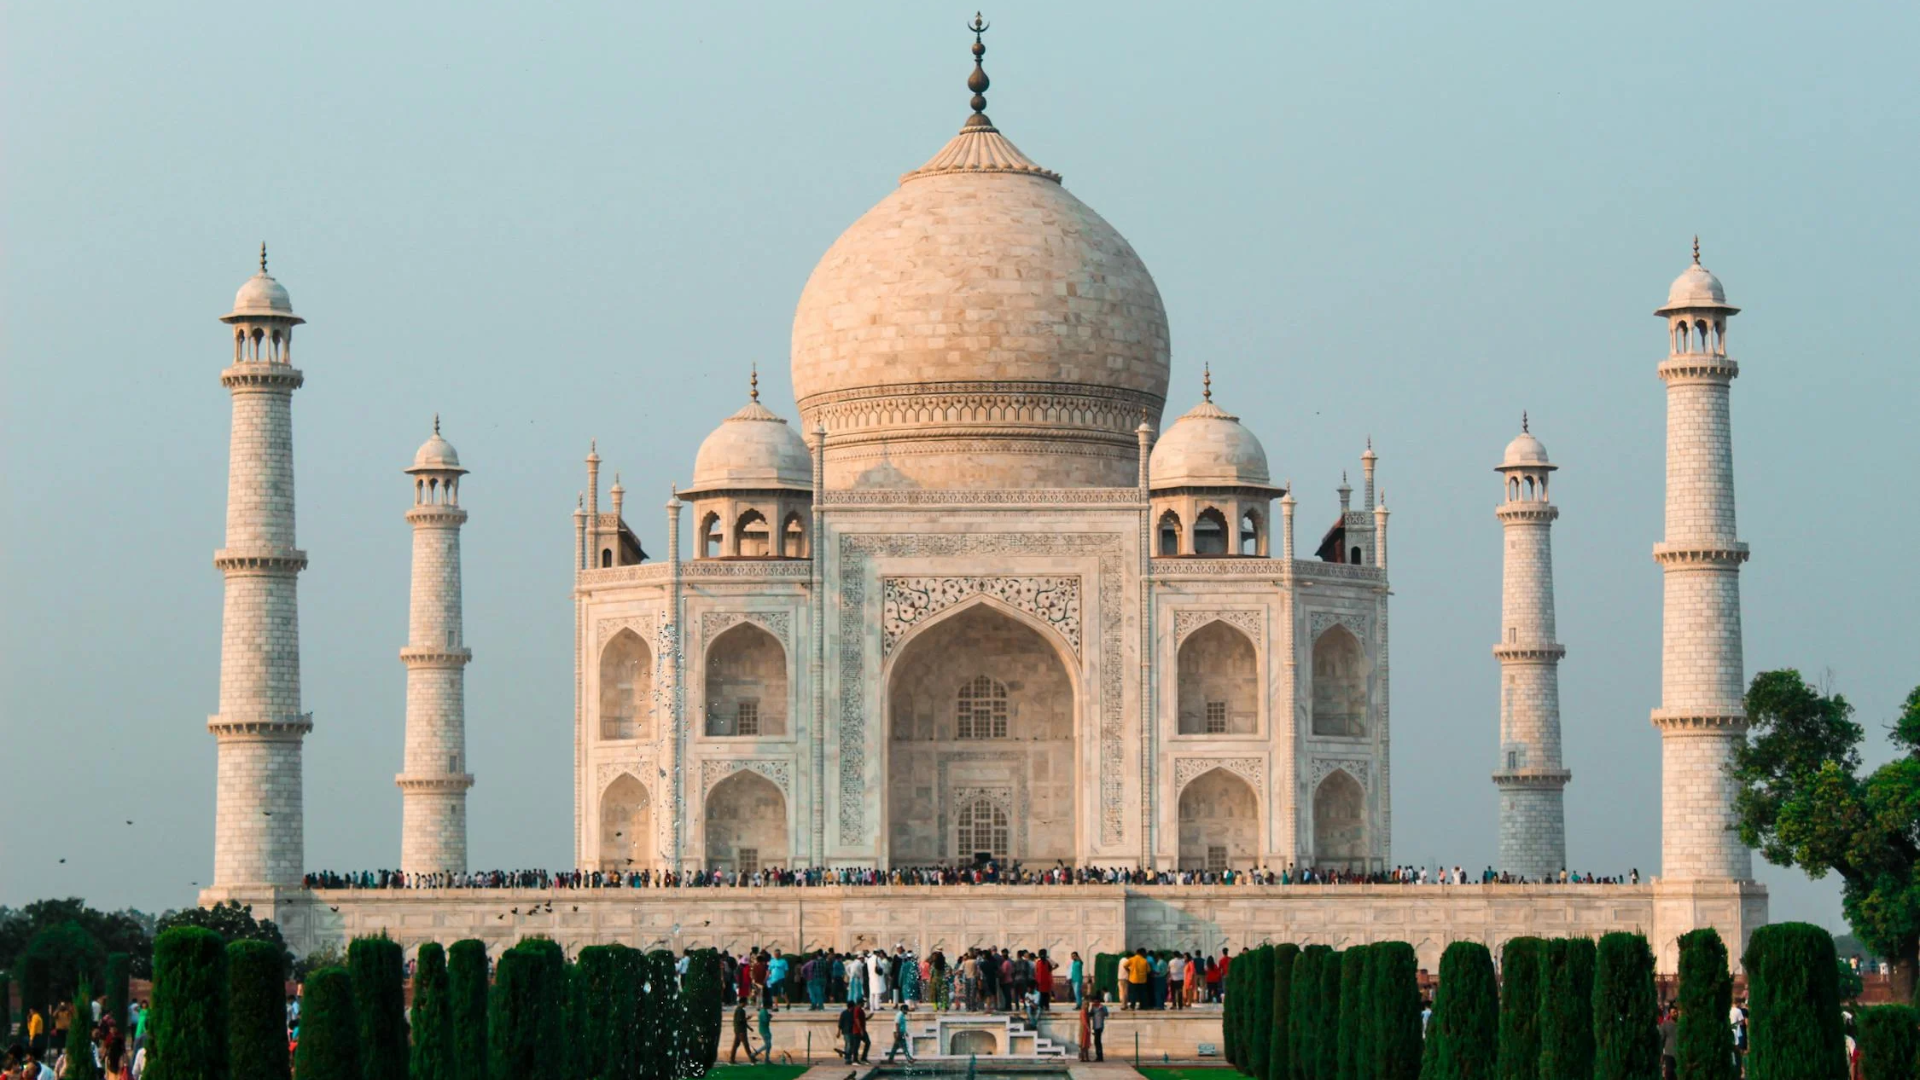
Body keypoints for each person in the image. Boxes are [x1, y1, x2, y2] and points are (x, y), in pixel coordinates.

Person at [1658, 1004, 1678, 1080]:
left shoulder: (1681, 1025)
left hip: (1680, 1054)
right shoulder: (1665, 1025)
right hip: (1669, 1054)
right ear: (1669, 1013)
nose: (1675, 1014)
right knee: (1670, 1075)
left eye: (1676, 1012)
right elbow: (1661, 1040)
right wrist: (1661, 1054)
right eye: (1673, 1012)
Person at [1088, 993, 1109, 1062]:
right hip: (1095, 1026)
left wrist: (1101, 1009)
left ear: (1098, 1002)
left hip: (1100, 1026)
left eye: (1095, 1002)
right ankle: (1099, 1056)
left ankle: (1100, 1056)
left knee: (1098, 1041)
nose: (1094, 1003)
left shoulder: (1103, 1007)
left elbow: (1106, 1014)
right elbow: (1090, 1014)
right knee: (1096, 1041)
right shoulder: (1093, 1008)